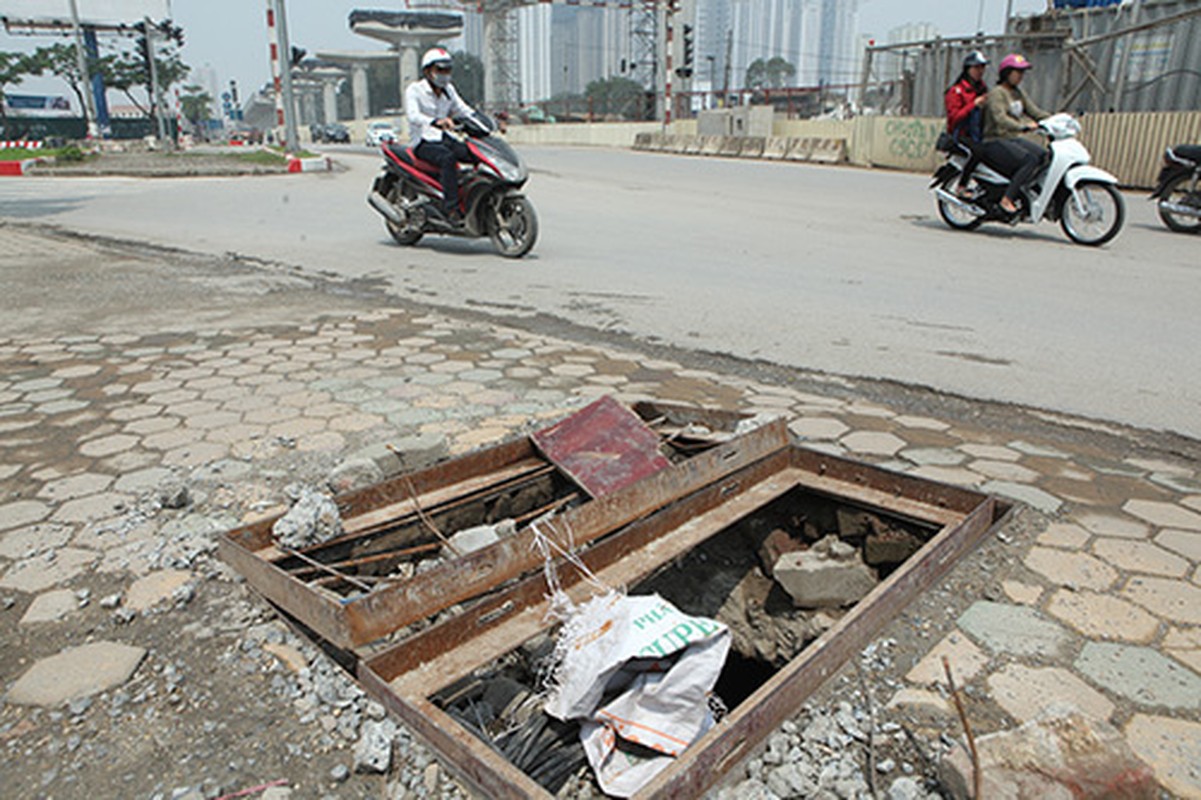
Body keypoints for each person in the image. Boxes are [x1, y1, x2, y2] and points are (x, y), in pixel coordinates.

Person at [405, 47, 479, 225]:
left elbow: (464, 110)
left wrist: (484, 120)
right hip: (422, 141)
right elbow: (412, 115)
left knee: (473, 153)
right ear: (428, 71)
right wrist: (435, 121)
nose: (445, 74)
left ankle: (471, 197)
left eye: (448, 70)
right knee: (448, 159)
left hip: (444, 139)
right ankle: (451, 209)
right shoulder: (415, 90)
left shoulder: (449, 90)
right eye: (440, 70)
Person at [980, 53, 1051, 215]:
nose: (1021, 76)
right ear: (1007, 73)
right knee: (1029, 160)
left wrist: (1055, 120)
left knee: (1043, 155)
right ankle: (1007, 199)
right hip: (994, 140)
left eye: (1022, 72)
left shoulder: (1018, 93)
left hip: (1011, 139)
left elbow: (1035, 111)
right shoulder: (997, 93)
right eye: (1017, 72)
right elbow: (1000, 119)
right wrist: (1023, 127)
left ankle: (1026, 191)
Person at [944, 50, 989, 197]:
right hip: (961, 135)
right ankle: (962, 186)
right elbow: (954, 118)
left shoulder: (983, 89)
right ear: (967, 69)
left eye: (982, 67)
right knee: (977, 152)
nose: (980, 71)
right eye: (976, 67)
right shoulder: (956, 91)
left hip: (980, 134)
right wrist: (973, 105)